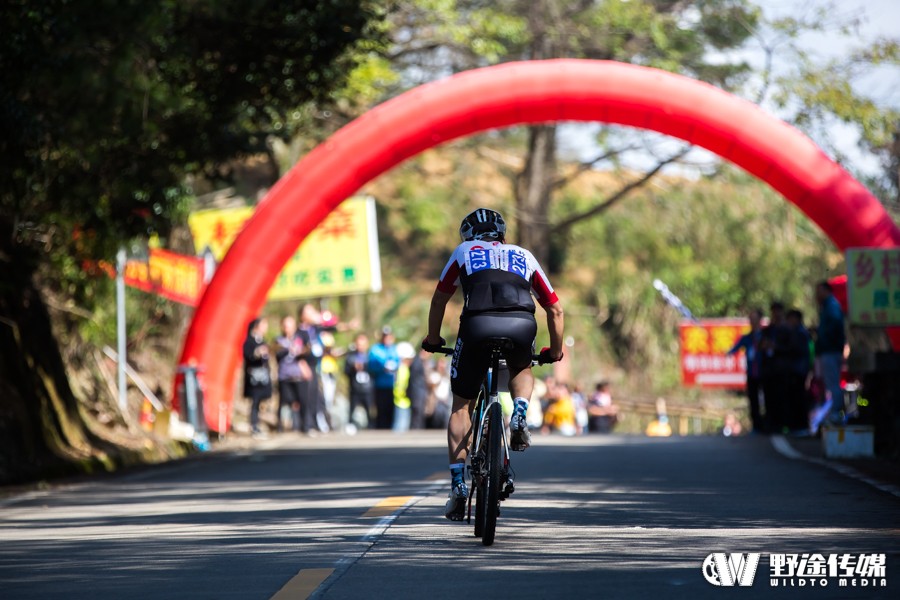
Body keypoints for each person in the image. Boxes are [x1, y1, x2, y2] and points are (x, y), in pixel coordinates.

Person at [423, 207, 564, 521]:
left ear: (468, 235)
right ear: (503, 233)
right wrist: (554, 351)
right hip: (521, 325)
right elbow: (555, 310)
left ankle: (458, 484)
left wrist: (433, 339)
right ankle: (521, 411)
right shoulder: (524, 255)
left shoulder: (464, 251)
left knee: (461, 405)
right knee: (522, 368)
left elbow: (439, 300)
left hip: (477, 326)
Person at [727, 308, 765, 433]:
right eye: (751, 319)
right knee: (753, 401)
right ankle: (756, 426)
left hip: (765, 373)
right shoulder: (747, 338)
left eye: (755, 319)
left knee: (768, 400)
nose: (753, 322)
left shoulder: (766, 336)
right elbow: (734, 349)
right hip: (752, 374)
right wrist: (726, 352)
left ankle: (769, 425)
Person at [815, 281, 846, 425]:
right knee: (830, 383)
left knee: (833, 383)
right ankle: (833, 413)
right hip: (829, 350)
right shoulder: (827, 306)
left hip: (831, 350)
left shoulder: (831, 305)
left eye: (819, 290)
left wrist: (825, 338)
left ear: (826, 290)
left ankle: (836, 414)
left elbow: (834, 325)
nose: (817, 294)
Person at [274, 316, 313, 433]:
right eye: (285, 326)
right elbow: (276, 355)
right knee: (284, 401)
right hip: (284, 376)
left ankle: (305, 426)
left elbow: (308, 354)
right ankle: (280, 426)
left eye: (290, 326)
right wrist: (286, 350)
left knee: (303, 400)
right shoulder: (279, 341)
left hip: (299, 375)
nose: (288, 329)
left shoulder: (300, 339)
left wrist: (302, 354)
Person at [242, 317, 272, 439]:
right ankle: (253, 426)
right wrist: (257, 352)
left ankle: (257, 425)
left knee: (260, 402)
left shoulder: (263, 341)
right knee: (254, 402)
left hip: (263, 377)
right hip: (253, 378)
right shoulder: (249, 341)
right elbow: (248, 355)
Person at [368, 326, 400, 429]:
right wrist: (382, 368)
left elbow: (397, 363)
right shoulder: (375, 349)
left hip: (392, 385)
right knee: (380, 409)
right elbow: (371, 366)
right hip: (379, 385)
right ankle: (380, 428)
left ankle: (389, 429)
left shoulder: (394, 349)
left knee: (390, 409)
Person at [344, 333, 374, 430]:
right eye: (358, 344)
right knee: (352, 409)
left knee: (370, 411)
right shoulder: (350, 357)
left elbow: (376, 370)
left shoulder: (371, 356)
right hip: (355, 388)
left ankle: (371, 427)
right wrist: (353, 368)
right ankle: (351, 426)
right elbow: (346, 371)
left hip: (368, 388)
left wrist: (365, 367)